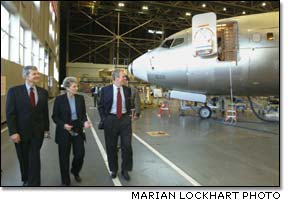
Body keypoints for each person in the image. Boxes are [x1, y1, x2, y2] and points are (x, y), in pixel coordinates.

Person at [6, 66, 50, 186]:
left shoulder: (43, 92)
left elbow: (45, 112)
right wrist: (13, 132)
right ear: (26, 76)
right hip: (20, 133)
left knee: (34, 158)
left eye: (38, 73)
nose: (37, 76)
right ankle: (26, 178)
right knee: (23, 158)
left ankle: (34, 184)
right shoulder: (14, 91)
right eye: (34, 74)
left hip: (37, 132)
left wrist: (46, 129)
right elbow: (10, 113)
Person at [52, 77, 92, 186]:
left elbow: (83, 114)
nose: (76, 88)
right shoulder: (59, 100)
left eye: (76, 86)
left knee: (80, 154)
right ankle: (65, 180)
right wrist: (63, 125)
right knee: (64, 157)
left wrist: (85, 122)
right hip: (64, 130)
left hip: (77, 128)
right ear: (67, 88)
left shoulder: (80, 98)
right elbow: (55, 117)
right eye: (74, 86)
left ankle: (75, 171)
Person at [98, 69, 134, 181]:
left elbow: (130, 104)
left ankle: (125, 169)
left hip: (124, 120)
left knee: (127, 146)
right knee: (111, 146)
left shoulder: (128, 90)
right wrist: (105, 119)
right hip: (111, 119)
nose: (125, 78)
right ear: (116, 78)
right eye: (123, 76)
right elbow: (101, 106)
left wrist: (130, 115)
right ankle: (113, 169)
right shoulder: (105, 90)